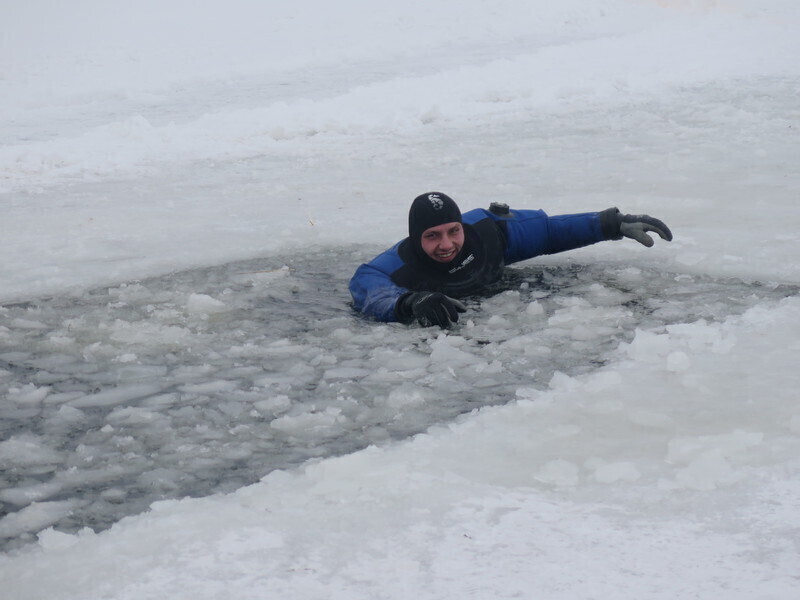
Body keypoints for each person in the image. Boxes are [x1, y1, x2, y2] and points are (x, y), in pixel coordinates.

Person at [349, 192, 672, 327]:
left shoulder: (489, 232)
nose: (447, 244)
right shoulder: (397, 266)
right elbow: (367, 286)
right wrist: (410, 302)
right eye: (432, 236)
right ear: (416, 238)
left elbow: (547, 232)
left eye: (453, 231)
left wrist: (612, 224)